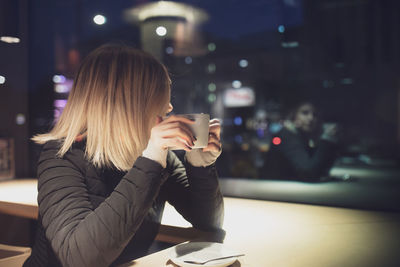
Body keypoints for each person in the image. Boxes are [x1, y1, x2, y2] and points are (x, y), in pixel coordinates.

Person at [23, 44, 224, 267]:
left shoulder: (159, 156)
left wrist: (200, 165)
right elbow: (79, 258)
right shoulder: (62, 155)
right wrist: (151, 157)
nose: (169, 107)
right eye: (161, 98)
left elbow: (208, 222)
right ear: (130, 105)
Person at [262, 101, 339, 181]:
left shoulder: (301, 136)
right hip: (274, 190)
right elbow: (308, 172)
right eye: (305, 113)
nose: (311, 118)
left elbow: (321, 169)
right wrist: (327, 138)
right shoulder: (287, 135)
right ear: (293, 115)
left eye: (315, 115)